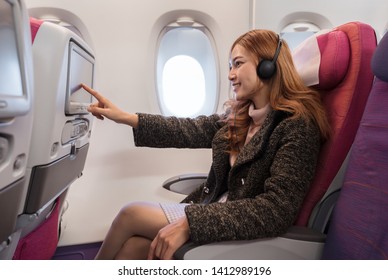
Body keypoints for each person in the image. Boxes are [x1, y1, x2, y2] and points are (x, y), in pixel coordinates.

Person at [82, 29, 331, 260]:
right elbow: (186, 130)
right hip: (214, 210)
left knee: (130, 214)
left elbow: (276, 210)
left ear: (268, 67)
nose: (231, 74)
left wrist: (191, 222)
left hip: (243, 227)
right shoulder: (241, 116)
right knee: (134, 246)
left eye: (238, 64)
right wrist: (125, 117)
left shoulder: (297, 125)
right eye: (230, 66)